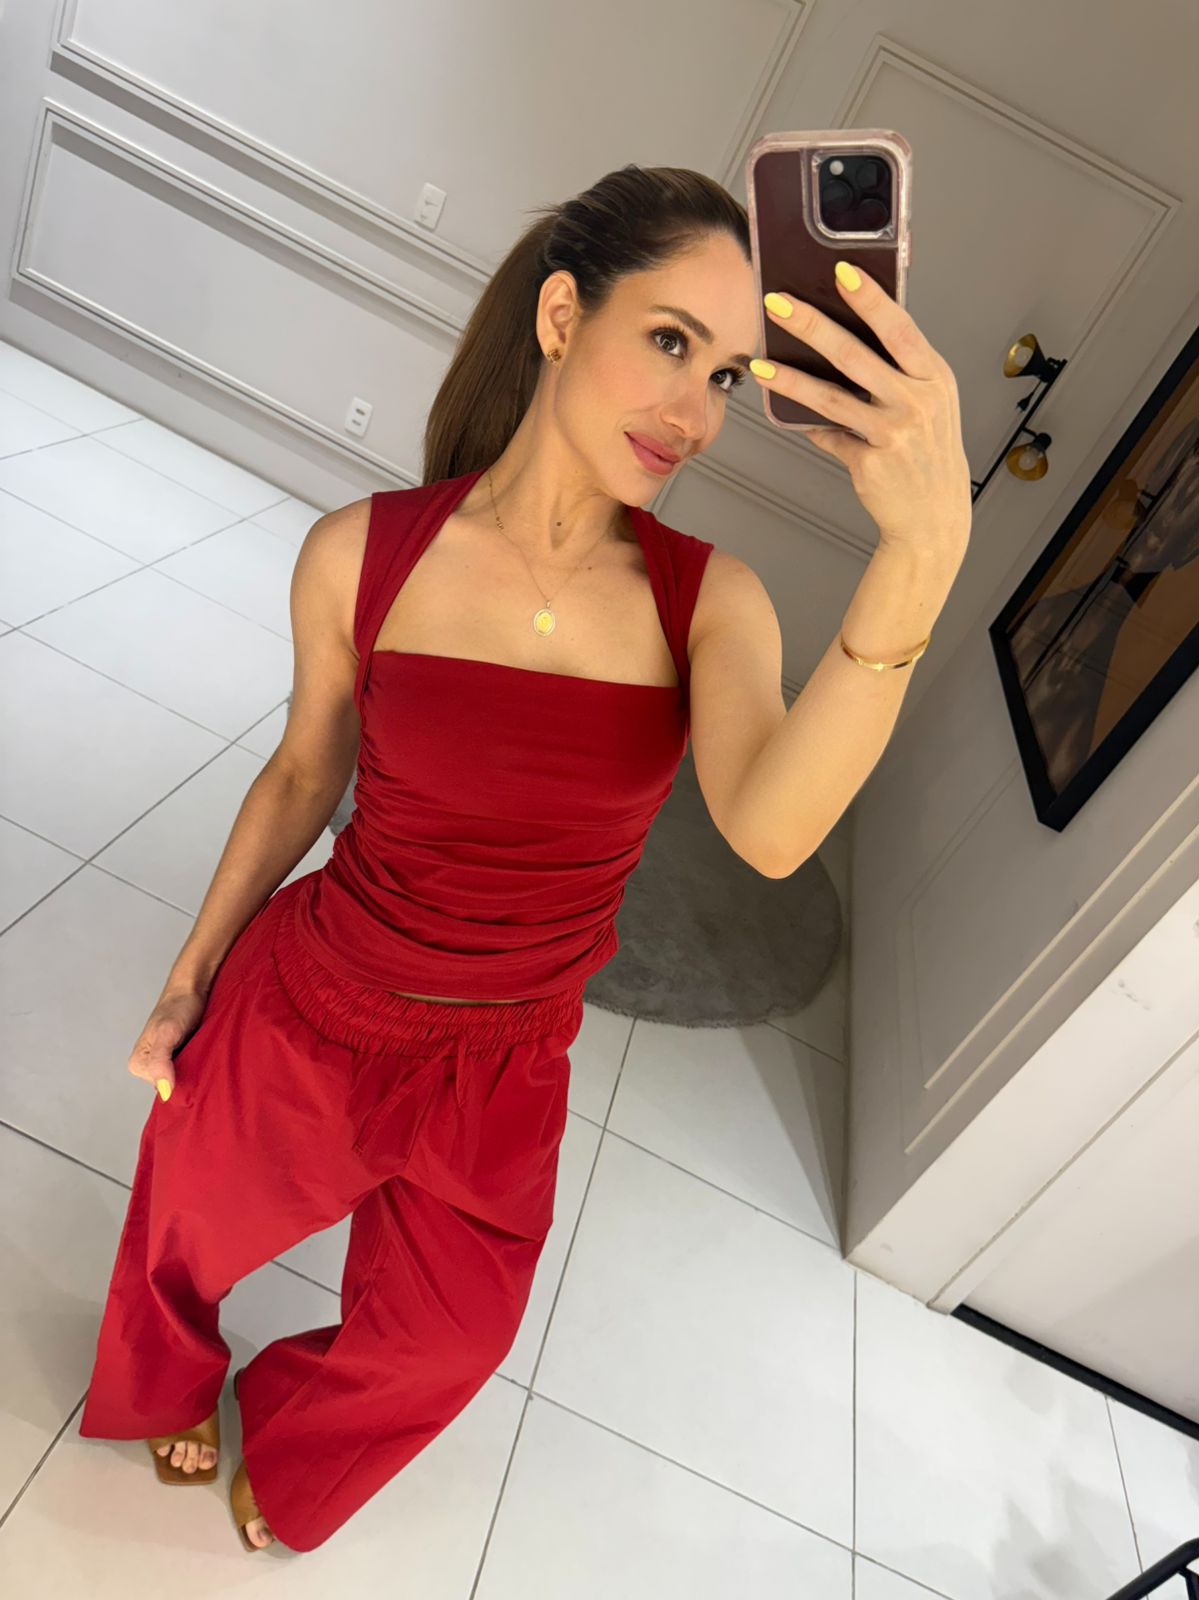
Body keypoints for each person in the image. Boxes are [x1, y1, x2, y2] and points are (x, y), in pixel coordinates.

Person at [77, 162, 770, 1553]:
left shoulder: (710, 603)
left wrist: (920, 552)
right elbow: (303, 773)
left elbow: (771, 825)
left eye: (727, 377)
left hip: (508, 1056)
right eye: (671, 341)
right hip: (322, 999)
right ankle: (170, 1377)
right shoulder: (363, 555)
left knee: (452, 1338)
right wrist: (189, 978)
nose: (696, 414)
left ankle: (293, 1423)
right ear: (563, 316)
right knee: (184, 1217)